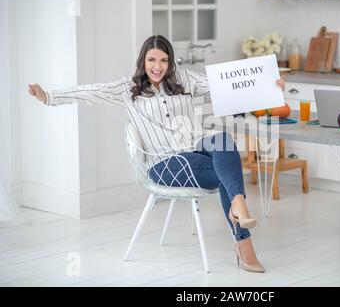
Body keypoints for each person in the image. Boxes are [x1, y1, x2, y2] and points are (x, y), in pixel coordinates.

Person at [28, 34, 285, 273]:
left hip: (197, 147)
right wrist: (48, 95)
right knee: (226, 172)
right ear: (142, 61)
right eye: (152, 60)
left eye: (164, 60)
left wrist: (269, 87)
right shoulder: (127, 90)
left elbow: (229, 86)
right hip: (164, 164)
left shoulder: (185, 80)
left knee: (223, 140)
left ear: (170, 63)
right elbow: (90, 91)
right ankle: (243, 241)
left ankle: (237, 204)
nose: (157, 66)